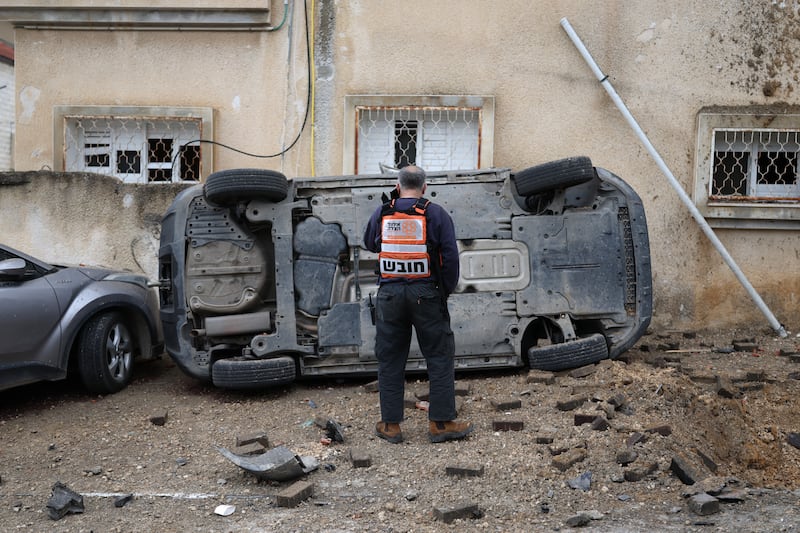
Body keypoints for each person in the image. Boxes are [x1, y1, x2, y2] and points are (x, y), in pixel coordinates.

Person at [363, 165, 473, 443]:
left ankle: (391, 426)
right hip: (426, 293)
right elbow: (450, 258)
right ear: (424, 187)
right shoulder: (435, 213)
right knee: (438, 355)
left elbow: (369, 243)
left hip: (389, 295)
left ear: (398, 186)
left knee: (390, 358)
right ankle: (441, 424)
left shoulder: (382, 212)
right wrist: (442, 292)